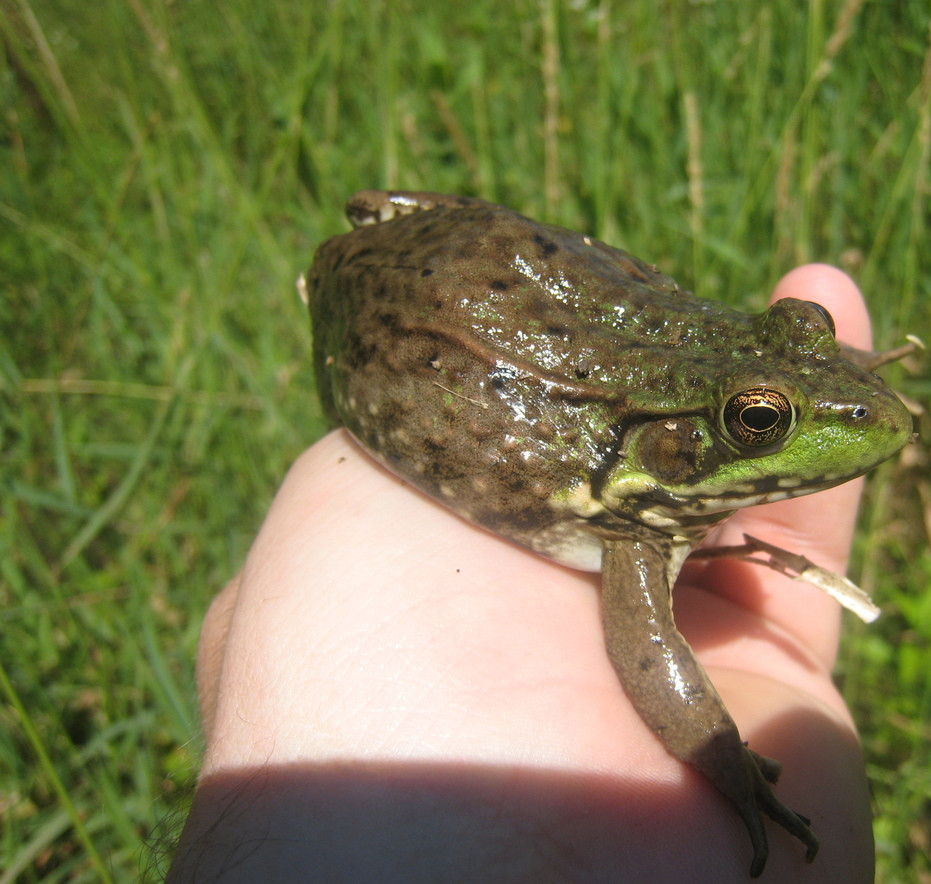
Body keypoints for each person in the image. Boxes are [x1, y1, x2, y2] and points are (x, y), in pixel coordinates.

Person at [167, 264, 877, 883]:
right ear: (671, 442)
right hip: (390, 318)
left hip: (480, 263)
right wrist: (737, 776)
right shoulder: (637, 528)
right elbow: (645, 651)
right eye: (758, 418)